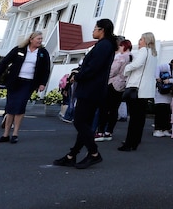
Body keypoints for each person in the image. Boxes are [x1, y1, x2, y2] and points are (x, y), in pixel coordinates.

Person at [52, 18, 118, 169]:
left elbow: (93, 67)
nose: (93, 30)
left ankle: (94, 153)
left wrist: (78, 76)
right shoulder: (104, 45)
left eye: (95, 28)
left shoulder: (104, 45)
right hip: (93, 89)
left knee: (79, 122)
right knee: (85, 125)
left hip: (91, 90)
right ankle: (71, 156)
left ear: (102, 30)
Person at [0, 31, 51, 144]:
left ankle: (15, 133)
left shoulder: (43, 52)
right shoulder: (19, 49)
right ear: (31, 39)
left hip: (29, 83)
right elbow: (4, 63)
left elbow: (46, 69)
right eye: (38, 38)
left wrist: (43, 83)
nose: (40, 41)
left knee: (20, 106)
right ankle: (5, 134)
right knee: (10, 107)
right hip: (14, 81)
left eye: (41, 39)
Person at [119, 32, 157, 151]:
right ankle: (135, 141)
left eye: (141, 39)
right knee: (140, 118)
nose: (139, 41)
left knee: (134, 118)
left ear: (146, 40)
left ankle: (129, 143)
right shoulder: (154, 53)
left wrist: (126, 68)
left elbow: (137, 64)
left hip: (137, 89)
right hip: (146, 91)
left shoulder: (144, 51)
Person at [95, 38, 133, 142]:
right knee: (114, 109)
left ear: (124, 46)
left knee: (104, 108)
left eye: (121, 46)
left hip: (112, 83)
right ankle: (109, 132)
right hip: (122, 85)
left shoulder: (120, 57)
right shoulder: (131, 58)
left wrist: (105, 77)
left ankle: (100, 132)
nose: (119, 48)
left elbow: (112, 70)